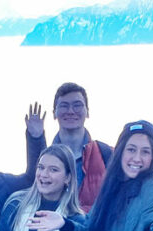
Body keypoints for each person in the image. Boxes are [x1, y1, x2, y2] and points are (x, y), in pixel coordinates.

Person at [47, 81, 112, 211]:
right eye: (64, 106)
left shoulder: (108, 154)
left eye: (77, 105)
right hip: (54, 229)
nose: (70, 111)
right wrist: (35, 138)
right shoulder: (44, 160)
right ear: (54, 113)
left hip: (95, 229)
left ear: (87, 112)